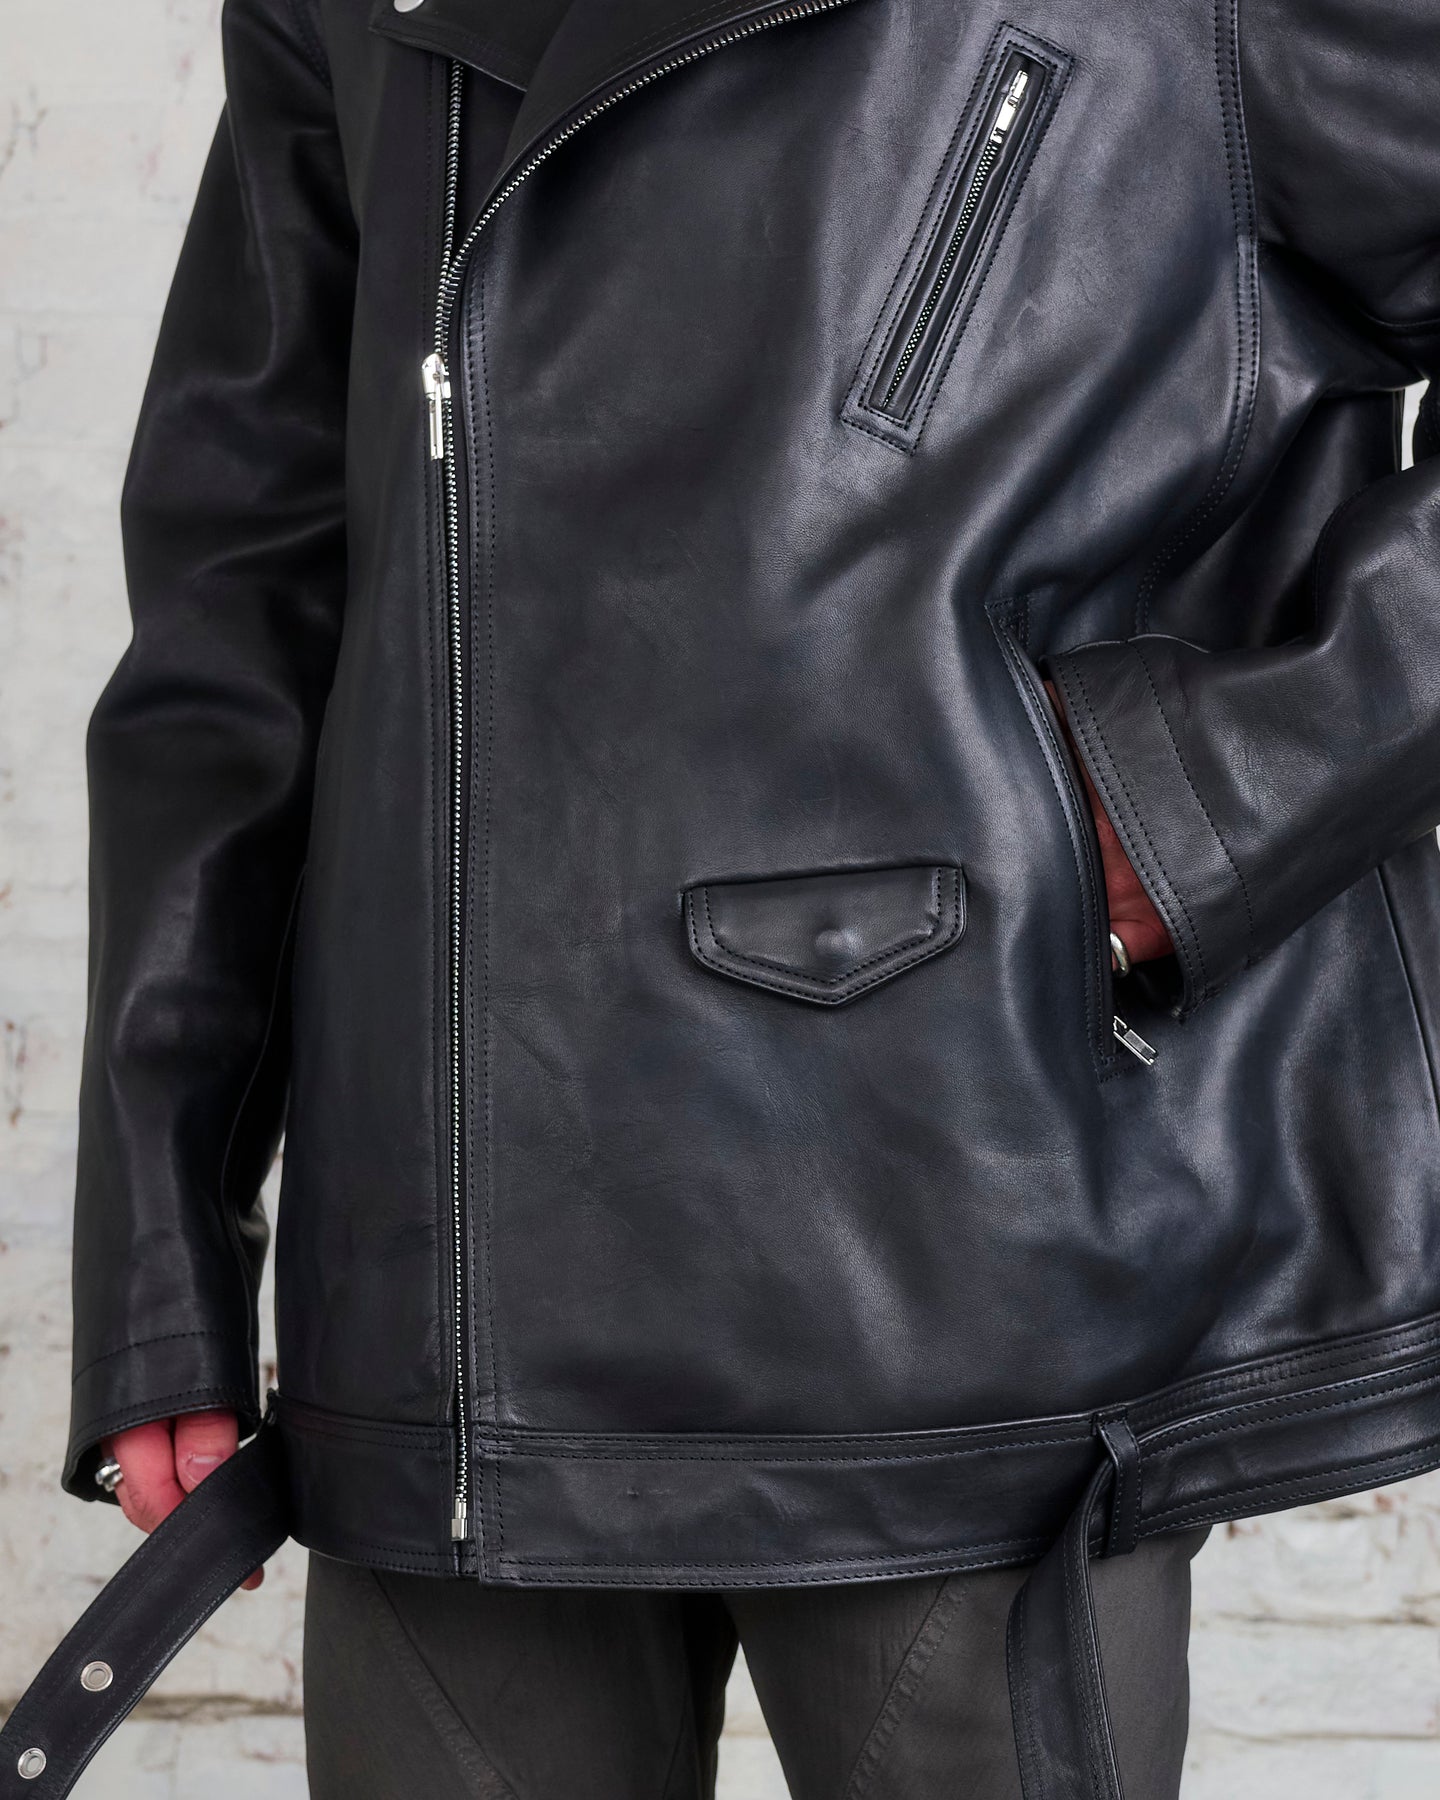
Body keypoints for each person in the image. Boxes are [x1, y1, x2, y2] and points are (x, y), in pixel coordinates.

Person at [59, 0, 1440, 1795]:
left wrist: (1204, 801)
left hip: (966, 1268)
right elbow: (245, 595)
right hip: (445, 1305)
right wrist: (162, 1250)